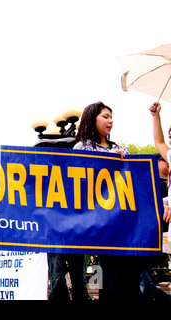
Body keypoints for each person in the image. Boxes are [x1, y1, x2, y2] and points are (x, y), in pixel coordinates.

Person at [74, 101, 149, 301]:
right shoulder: (82, 146)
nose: (110, 121)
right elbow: (78, 177)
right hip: (100, 223)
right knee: (107, 279)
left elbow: (137, 180)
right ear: (92, 119)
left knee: (129, 279)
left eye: (111, 117)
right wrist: (107, 160)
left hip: (124, 224)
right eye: (105, 116)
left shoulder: (120, 147)